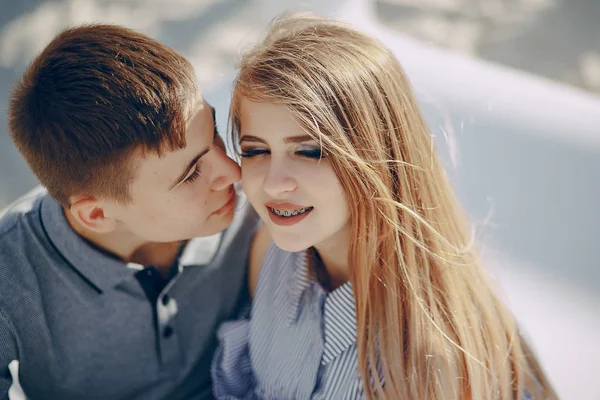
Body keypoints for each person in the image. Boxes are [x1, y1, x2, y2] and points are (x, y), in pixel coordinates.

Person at [211, 14, 557, 399]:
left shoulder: (429, 358)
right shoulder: (270, 255)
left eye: (309, 151)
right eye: (256, 150)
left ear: (377, 156)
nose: (275, 183)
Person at [0, 24, 258, 399]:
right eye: (190, 174)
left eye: (213, 132)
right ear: (97, 215)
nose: (234, 172)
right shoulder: (10, 275)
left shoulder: (259, 199)